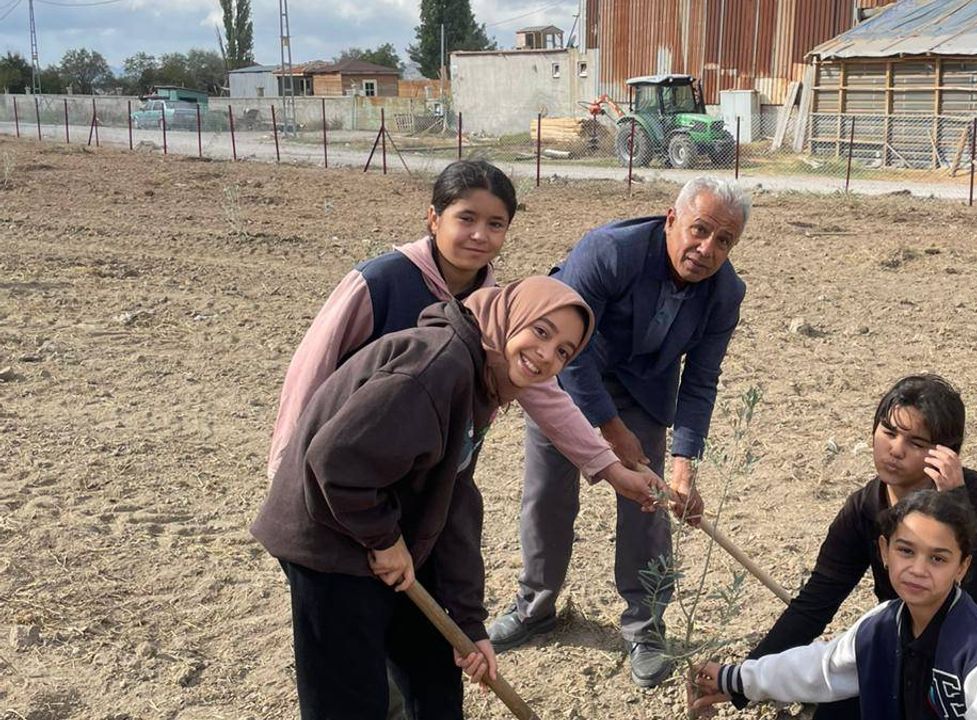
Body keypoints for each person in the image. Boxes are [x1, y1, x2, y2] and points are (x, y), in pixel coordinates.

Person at [251, 277, 595, 719]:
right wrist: (383, 540)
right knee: (350, 701)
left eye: (564, 351)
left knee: (434, 675)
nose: (547, 355)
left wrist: (470, 625)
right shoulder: (437, 367)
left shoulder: (483, 376)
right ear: (512, 317)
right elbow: (335, 462)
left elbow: (453, 500)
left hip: (392, 526)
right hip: (329, 537)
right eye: (542, 332)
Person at [268, 159, 660, 512]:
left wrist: (609, 468)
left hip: (431, 480)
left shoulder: (495, 310)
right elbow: (310, 372)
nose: (479, 235)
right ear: (434, 219)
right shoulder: (380, 283)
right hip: (350, 473)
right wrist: (285, 472)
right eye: (466, 218)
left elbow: (543, 392)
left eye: (495, 224)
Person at [487, 176, 751, 688]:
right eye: (699, 230)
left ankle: (645, 624)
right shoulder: (609, 251)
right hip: (566, 376)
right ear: (671, 219)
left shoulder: (725, 293)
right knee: (547, 496)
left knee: (648, 503)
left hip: (646, 392)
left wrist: (682, 464)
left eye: (724, 241)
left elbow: (701, 379)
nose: (707, 249)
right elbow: (568, 347)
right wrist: (610, 430)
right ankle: (536, 605)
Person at [698, 375, 977, 717]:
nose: (895, 449)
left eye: (916, 443)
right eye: (888, 432)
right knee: (835, 710)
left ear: (946, 452)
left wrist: (957, 502)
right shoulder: (864, 508)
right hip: (916, 640)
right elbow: (815, 605)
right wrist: (740, 682)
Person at [691, 489, 977, 720]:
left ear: (963, 566)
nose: (917, 569)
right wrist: (737, 678)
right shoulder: (882, 625)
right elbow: (819, 668)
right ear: (884, 551)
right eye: (906, 551)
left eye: (938, 559)